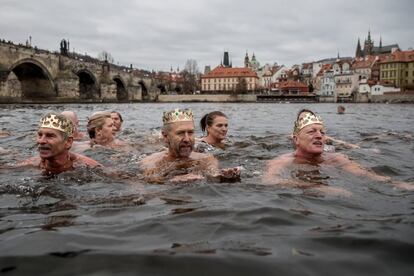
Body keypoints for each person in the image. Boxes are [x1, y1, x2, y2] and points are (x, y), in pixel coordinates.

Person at [263, 109, 413, 192]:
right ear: (295, 139)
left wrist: (397, 183)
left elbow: (366, 175)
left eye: (322, 132)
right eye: (312, 131)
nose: (319, 136)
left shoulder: (336, 158)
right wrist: (318, 189)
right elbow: (269, 181)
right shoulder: (282, 161)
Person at [139, 108, 240, 183]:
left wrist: (225, 176)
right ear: (166, 136)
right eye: (181, 133)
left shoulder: (207, 158)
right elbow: (148, 186)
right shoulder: (150, 162)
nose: (187, 139)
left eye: (191, 132)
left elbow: (213, 176)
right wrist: (172, 180)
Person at [16, 112, 101, 176]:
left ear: (68, 142)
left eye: (50, 136)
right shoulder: (31, 164)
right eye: (40, 135)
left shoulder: (87, 166)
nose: (41, 141)